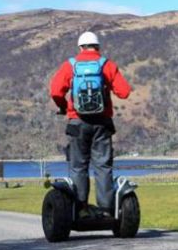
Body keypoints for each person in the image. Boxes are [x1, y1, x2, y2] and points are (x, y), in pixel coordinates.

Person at [50, 31, 131, 215]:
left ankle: (81, 210)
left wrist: (64, 107)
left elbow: (55, 91)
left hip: (77, 123)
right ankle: (106, 210)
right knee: (103, 167)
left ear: (80, 47)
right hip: (102, 124)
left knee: (78, 167)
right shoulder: (106, 65)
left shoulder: (70, 65)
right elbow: (125, 92)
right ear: (98, 47)